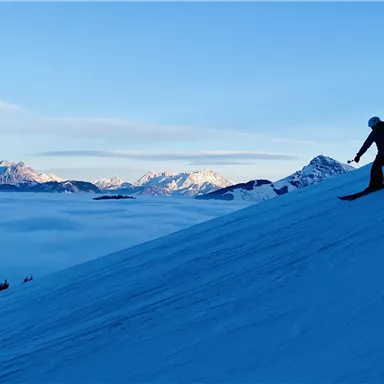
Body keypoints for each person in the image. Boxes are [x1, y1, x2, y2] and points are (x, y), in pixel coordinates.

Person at [354, 116, 384, 190]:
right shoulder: (374, 133)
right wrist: (358, 155)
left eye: (373, 127)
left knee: (376, 168)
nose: (372, 129)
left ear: (378, 124)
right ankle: (375, 185)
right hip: (382, 154)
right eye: (371, 127)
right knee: (375, 168)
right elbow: (366, 144)